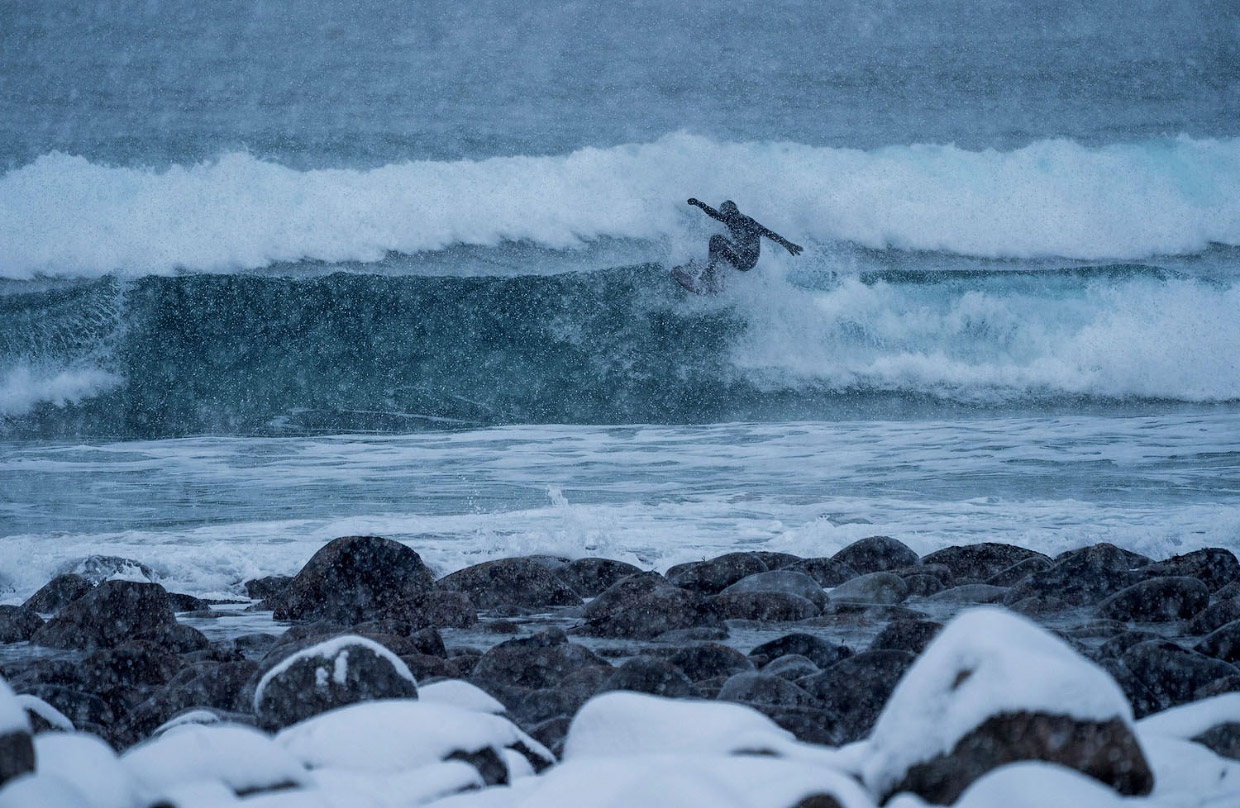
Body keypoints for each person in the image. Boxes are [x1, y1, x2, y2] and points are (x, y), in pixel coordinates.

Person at [686, 198, 803, 289]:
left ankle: (709, 275)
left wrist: (699, 204)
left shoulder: (731, 218)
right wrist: (787, 244)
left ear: (727, 210)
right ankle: (718, 278)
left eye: (723, 211)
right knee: (722, 247)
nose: (722, 214)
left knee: (716, 239)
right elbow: (770, 234)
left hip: (743, 260)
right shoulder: (750, 221)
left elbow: (714, 214)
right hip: (749, 262)